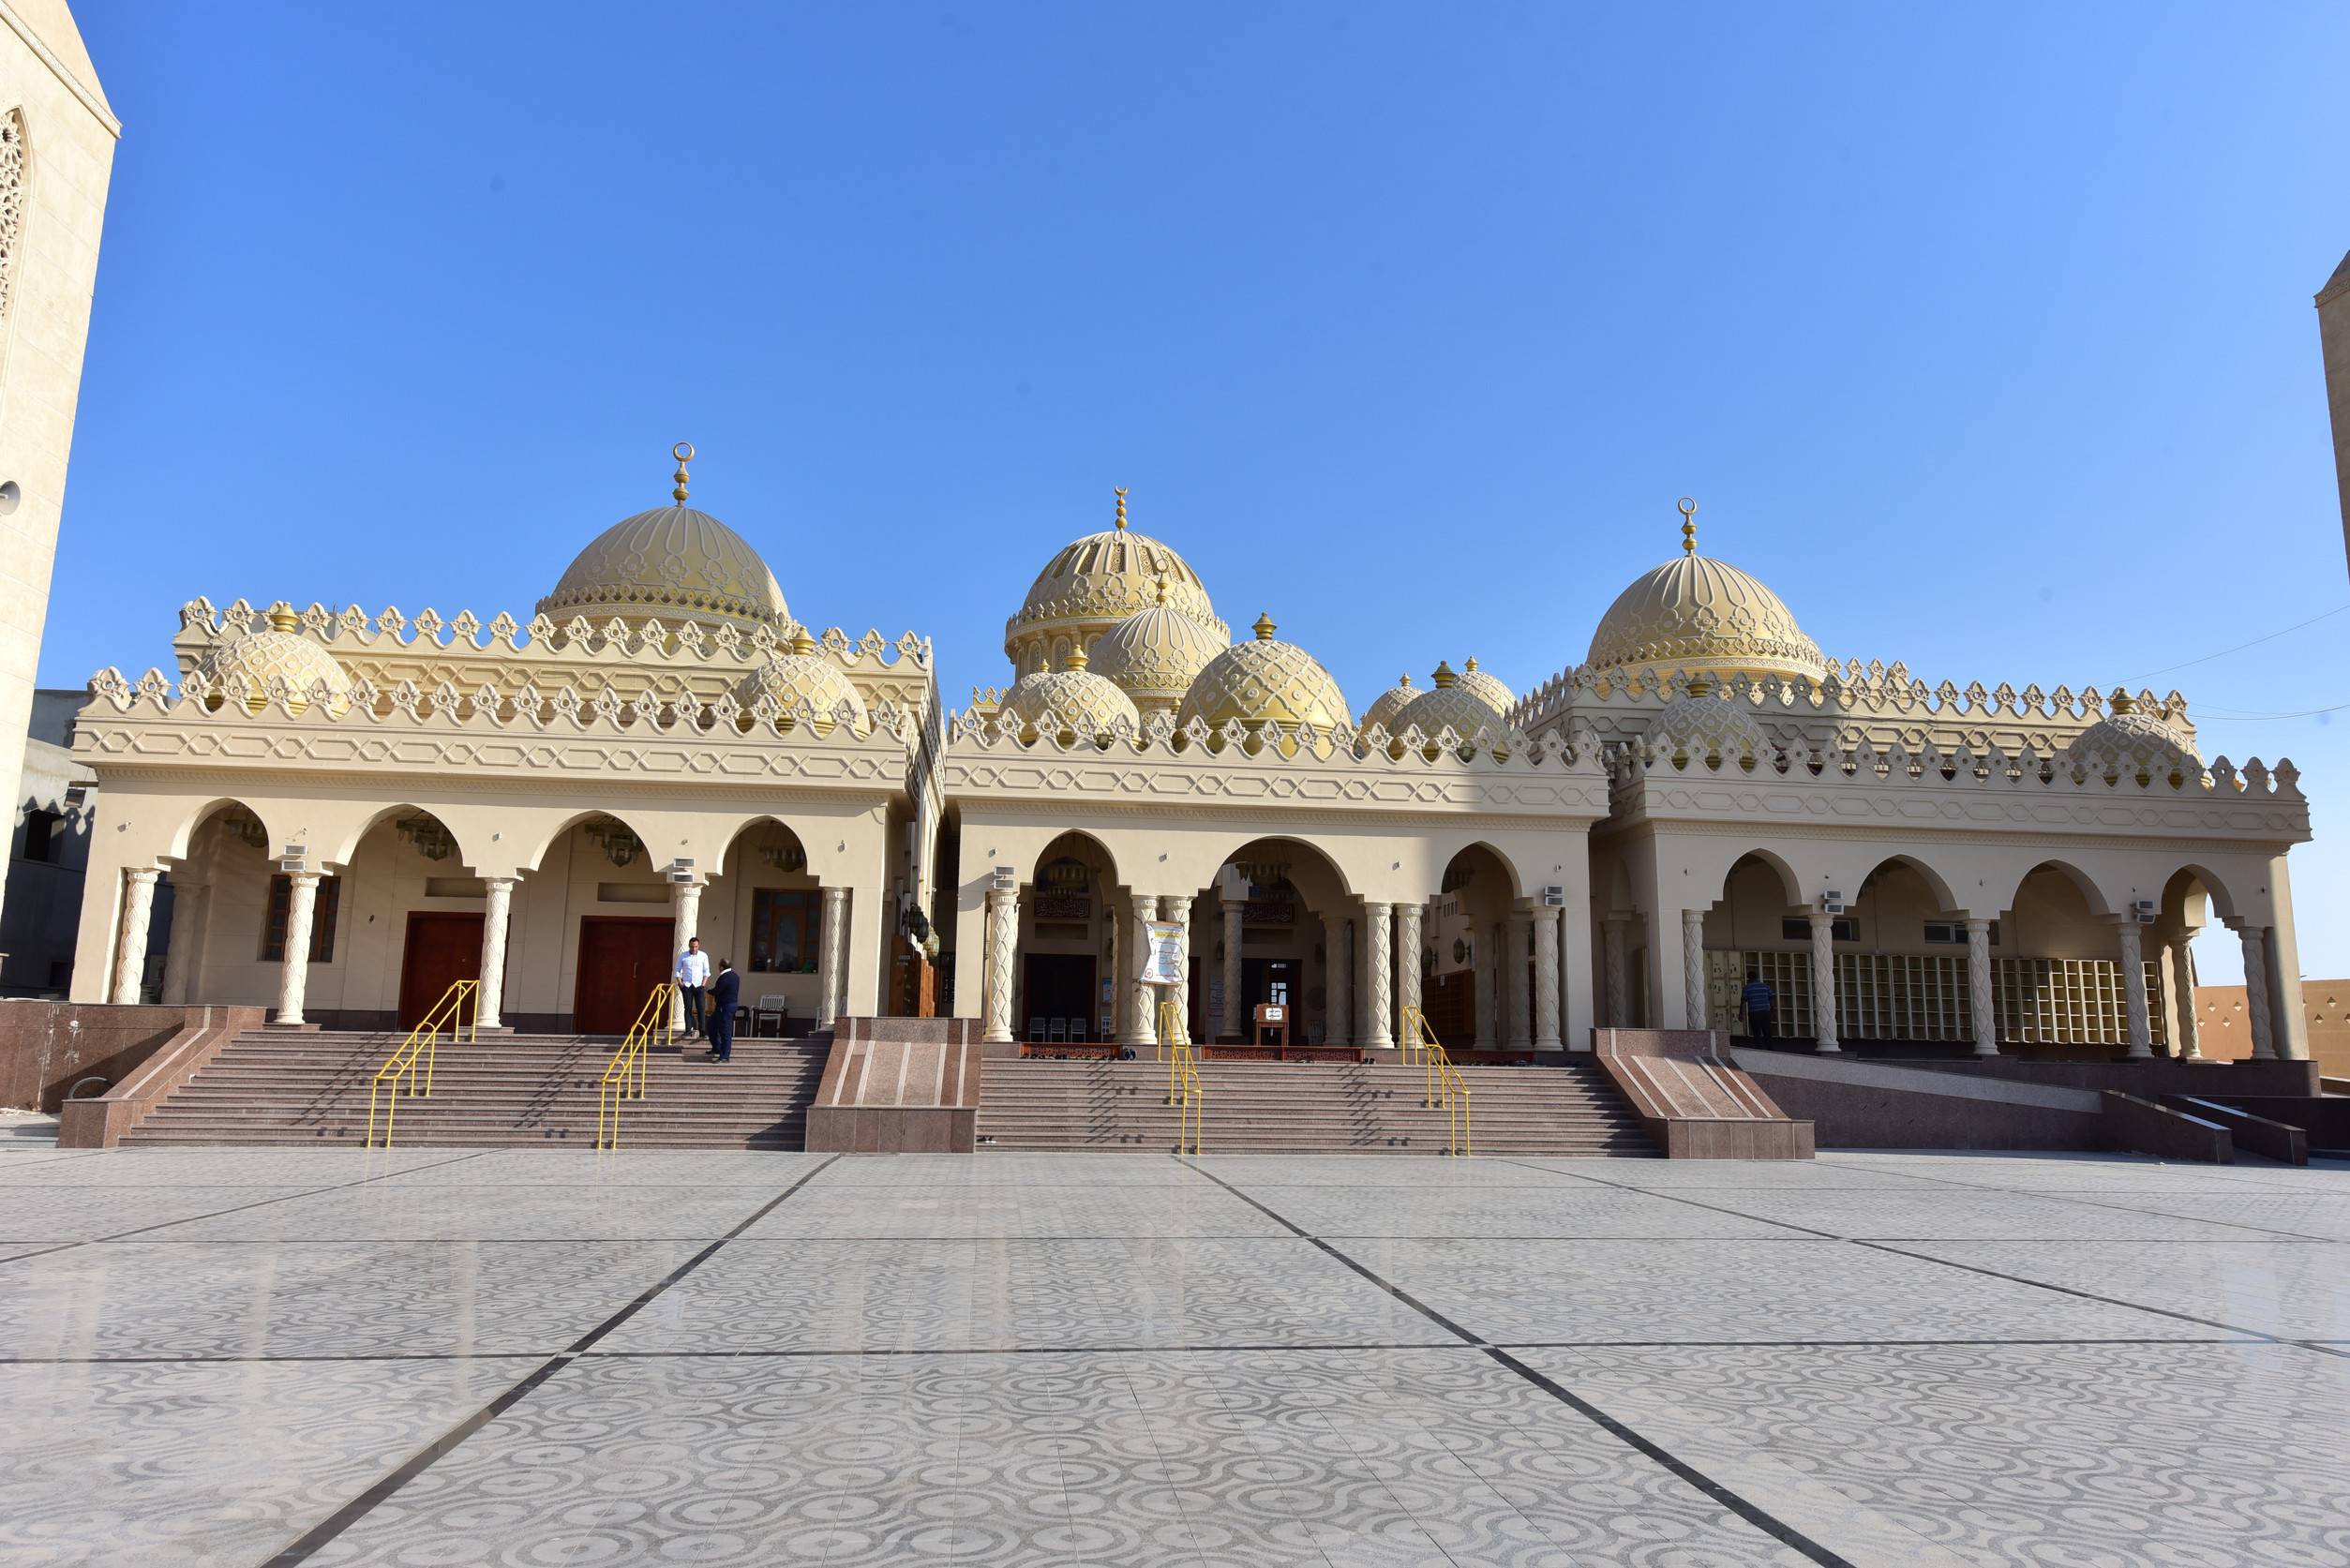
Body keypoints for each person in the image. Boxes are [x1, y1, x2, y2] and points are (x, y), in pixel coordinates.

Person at [705, 958, 741, 1062]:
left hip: (725, 1007)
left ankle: (725, 1056)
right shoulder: (735, 976)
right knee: (711, 1024)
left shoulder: (724, 977)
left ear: (721, 967)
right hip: (725, 1006)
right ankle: (717, 1048)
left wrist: (708, 990)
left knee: (725, 1031)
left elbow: (718, 990)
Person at [675, 936, 711, 1037]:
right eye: (692, 947)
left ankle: (702, 1031)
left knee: (701, 1008)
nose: (694, 949)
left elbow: (706, 972)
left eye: (696, 946)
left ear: (698, 946)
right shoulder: (683, 956)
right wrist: (680, 983)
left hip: (699, 985)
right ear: (689, 946)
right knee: (688, 1008)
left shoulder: (703, 955)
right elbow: (677, 970)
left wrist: (703, 985)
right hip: (687, 985)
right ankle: (688, 1030)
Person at [1742, 969, 1774, 1040]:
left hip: (1754, 1013)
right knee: (1767, 1032)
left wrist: (1741, 1014)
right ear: (1757, 977)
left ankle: (1758, 1046)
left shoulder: (1746, 988)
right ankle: (1769, 1046)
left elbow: (1743, 1002)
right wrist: (1772, 1010)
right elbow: (1771, 1000)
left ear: (1748, 978)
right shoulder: (1765, 986)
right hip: (1765, 1012)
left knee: (1757, 1033)